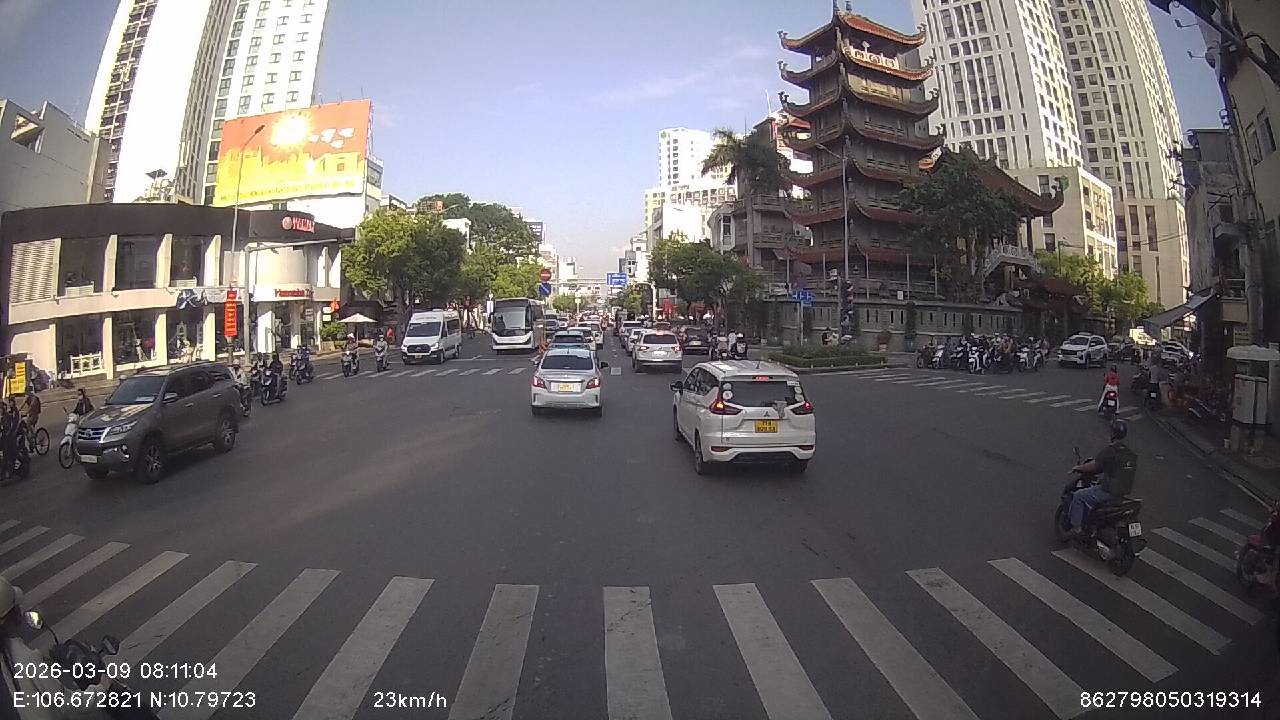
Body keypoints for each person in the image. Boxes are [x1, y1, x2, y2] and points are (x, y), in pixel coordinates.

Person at [1065, 420, 1137, 536]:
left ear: (1113, 434)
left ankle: (1077, 529)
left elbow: (1094, 466)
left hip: (1108, 491)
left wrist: (1078, 468)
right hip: (1122, 494)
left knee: (1079, 496)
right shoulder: (1130, 454)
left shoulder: (1111, 451)